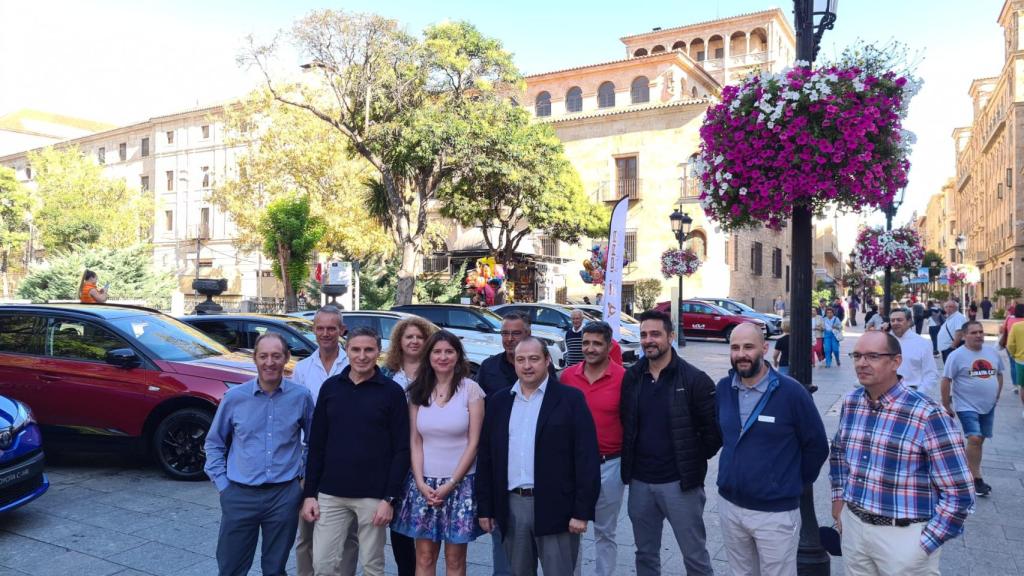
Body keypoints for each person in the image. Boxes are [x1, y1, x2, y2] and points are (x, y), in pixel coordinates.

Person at [830, 331, 975, 573]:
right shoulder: (851, 402)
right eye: (857, 356)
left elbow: (959, 491)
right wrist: (838, 502)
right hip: (855, 529)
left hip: (904, 538)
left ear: (896, 362)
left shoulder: (928, 413)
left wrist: (925, 544)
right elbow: (838, 454)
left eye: (872, 356)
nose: (861, 363)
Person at [476, 337, 601, 575]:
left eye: (534, 359)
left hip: (558, 506)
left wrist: (581, 512)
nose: (527, 366)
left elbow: (586, 458)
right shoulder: (499, 402)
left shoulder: (570, 399)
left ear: (547, 361)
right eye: (520, 359)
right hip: (512, 507)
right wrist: (486, 508)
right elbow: (486, 459)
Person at [717, 323, 829, 576]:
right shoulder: (724, 388)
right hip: (730, 506)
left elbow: (817, 446)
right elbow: (724, 434)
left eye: (748, 347)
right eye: (735, 348)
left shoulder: (791, 392)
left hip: (775, 513)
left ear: (765, 348)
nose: (741, 354)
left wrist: (791, 481)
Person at [302, 327, 410, 576]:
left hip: (373, 496)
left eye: (368, 350)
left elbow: (402, 449)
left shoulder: (391, 392)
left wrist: (389, 499)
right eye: (356, 349)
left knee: (372, 566)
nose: (362, 356)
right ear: (347, 351)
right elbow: (316, 444)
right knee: (323, 565)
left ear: (378, 352)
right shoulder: (331, 388)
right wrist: (310, 494)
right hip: (331, 494)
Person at [204, 333, 314, 576]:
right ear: (255, 359)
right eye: (263, 356)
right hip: (239, 494)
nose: (270, 362)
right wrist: (223, 485)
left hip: (283, 497)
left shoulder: (301, 397)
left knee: (275, 569)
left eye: (276, 356)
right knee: (231, 567)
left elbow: (314, 443)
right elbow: (214, 443)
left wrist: (301, 482)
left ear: (286, 358)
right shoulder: (234, 398)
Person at [620, 310, 720, 576]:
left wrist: (690, 459)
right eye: (643, 335)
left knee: (695, 556)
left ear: (671, 336)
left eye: (655, 334)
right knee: (645, 555)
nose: (648, 340)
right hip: (640, 484)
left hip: (680, 484)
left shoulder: (694, 380)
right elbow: (626, 422)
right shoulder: (632, 378)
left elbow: (713, 434)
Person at [391, 331, 485, 576]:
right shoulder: (417, 391)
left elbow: (474, 443)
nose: (443, 357)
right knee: (424, 556)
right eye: (437, 351)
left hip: (460, 484)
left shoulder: (471, 390)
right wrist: (420, 482)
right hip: (424, 484)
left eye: (449, 351)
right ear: (428, 356)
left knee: (454, 559)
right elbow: (415, 440)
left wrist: (451, 483)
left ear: (458, 356)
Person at [473, 311, 555, 576]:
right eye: (504, 334)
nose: (508, 339)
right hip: (503, 471)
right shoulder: (488, 368)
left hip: (540, 475)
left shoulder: (546, 372)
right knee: (507, 559)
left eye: (515, 333)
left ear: (528, 334)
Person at [290, 306, 354, 576]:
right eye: (320, 328)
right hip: (309, 458)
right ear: (314, 330)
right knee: (306, 531)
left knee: (349, 535)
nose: (326, 333)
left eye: (332, 328)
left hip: (346, 458)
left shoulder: (354, 365)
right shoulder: (302, 369)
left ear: (342, 331)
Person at [559, 321, 627, 576]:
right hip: (573, 467)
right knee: (570, 529)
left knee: (605, 532)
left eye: (597, 343)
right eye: (586, 342)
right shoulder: (568, 377)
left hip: (609, 464)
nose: (590, 348)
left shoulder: (623, 377)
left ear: (609, 346)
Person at [380, 316, 437, 576]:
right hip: (393, 454)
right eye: (408, 337)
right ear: (399, 342)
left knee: (427, 529)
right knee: (399, 523)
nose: (414, 341)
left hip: (429, 454)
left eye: (419, 337)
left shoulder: (436, 373)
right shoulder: (386, 373)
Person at [941, 321, 1005, 498]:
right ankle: (976, 479)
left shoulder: (991, 352)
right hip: (966, 405)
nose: (978, 335)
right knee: (975, 439)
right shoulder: (956, 356)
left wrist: (997, 395)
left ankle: (968, 469)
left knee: (979, 441)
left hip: (988, 405)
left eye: (981, 332)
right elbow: (946, 379)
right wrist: (946, 404)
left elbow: (999, 373)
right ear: (964, 335)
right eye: (974, 332)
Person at [889, 308, 939, 396]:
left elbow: (931, 374)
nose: (895, 323)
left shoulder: (922, 343)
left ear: (909, 322)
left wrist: (918, 394)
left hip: (911, 392)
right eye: (892, 320)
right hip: (886, 393)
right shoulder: (885, 340)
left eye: (899, 320)